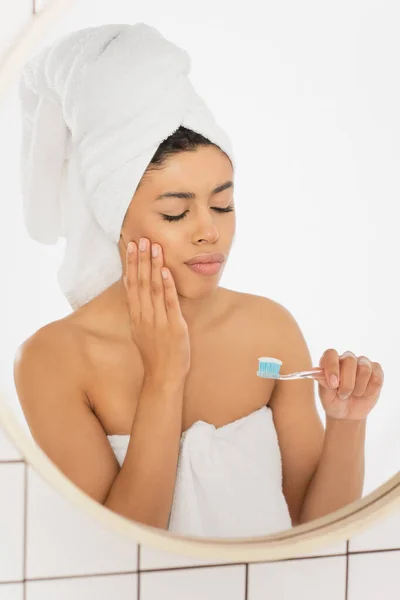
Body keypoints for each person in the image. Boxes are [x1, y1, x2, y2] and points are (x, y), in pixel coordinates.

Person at [13, 24, 383, 539]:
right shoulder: (52, 360)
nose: (210, 232)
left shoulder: (269, 328)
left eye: (223, 204)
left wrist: (347, 423)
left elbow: (313, 531)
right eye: (174, 212)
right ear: (113, 218)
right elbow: (121, 553)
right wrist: (165, 376)